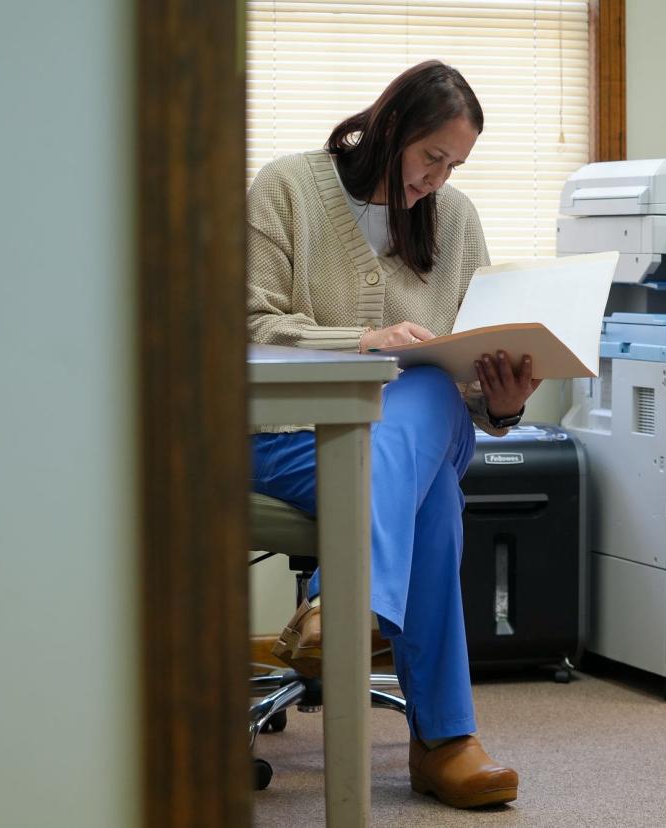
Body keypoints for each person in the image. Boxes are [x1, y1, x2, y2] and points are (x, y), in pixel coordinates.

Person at [247, 60, 539, 810]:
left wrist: (502, 405)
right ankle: (444, 742)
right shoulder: (286, 189)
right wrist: (362, 342)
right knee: (432, 494)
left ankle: (340, 602)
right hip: (285, 434)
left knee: (434, 386)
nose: (439, 178)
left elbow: (467, 382)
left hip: (417, 430)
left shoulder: (458, 219)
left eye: (455, 165)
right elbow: (242, 327)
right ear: (390, 129)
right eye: (431, 156)